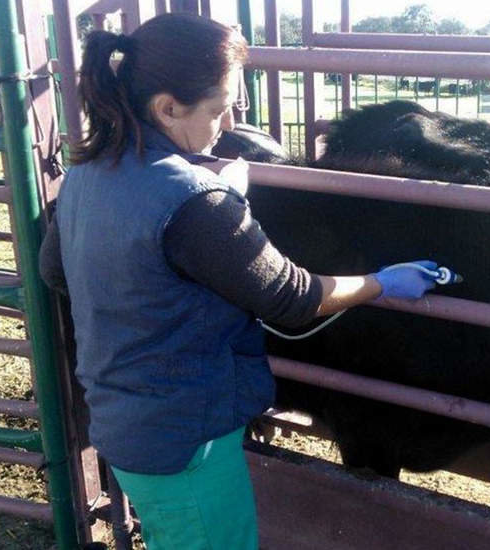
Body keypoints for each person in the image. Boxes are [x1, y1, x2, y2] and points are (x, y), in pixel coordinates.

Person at [38, 13, 437, 550]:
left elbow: (53, 271)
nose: (226, 125)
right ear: (167, 107)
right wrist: (381, 282)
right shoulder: (195, 202)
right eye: (219, 108)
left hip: (123, 424)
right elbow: (293, 297)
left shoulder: (86, 175)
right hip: (188, 440)